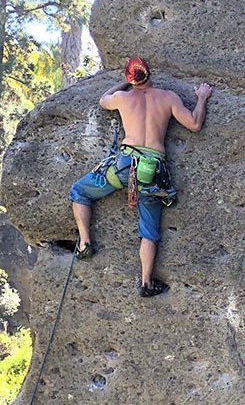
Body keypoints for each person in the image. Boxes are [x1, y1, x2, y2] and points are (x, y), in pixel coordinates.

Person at [69, 57, 212, 297]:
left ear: (130, 79)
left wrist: (122, 85)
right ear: (150, 73)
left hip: (125, 166)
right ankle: (146, 283)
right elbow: (195, 124)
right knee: (149, 229)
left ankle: (85, 243)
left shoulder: (123, 98)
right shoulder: (168, 97)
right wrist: (202, 97)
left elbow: (103, 100)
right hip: (152, 173)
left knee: (79, 192)